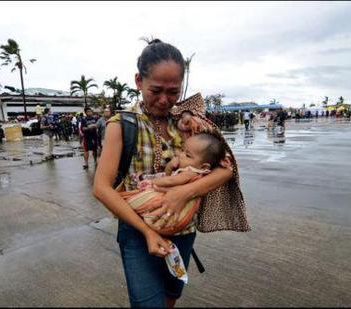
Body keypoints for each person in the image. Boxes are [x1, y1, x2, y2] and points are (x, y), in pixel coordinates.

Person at [93, 38, 249, 308]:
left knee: (170, 295)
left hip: (184, 230)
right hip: (137, 232)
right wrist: (147, 231)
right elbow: (101, 188)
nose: (165, 100)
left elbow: (226, 169)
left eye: (173, 91)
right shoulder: (121, 125)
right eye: (156, 90)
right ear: (138, 81)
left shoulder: (189, 122)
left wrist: (182, 193)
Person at [120, 132, 226, 235]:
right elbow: (168, 175)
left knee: (132, 200)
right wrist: (170, 166)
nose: (181, 155)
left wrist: (151, 182)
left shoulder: (190, 173)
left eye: (188, 155)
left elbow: (170, 180)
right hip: (177, 213)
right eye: (182, 150)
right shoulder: (190, 170)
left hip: (174, 209)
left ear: (203, 167)